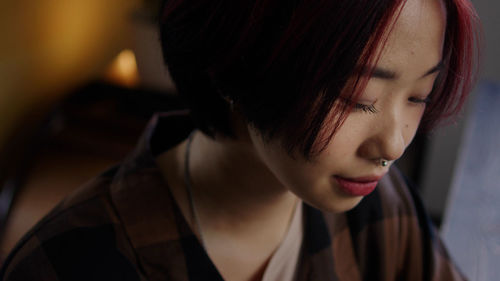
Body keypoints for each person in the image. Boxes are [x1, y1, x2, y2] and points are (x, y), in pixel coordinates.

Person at [0, 0, 480, 280]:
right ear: (239, 62)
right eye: (358, 98)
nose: (394, 145)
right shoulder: (75, 262)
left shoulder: (381, 211)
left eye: (419, 95)